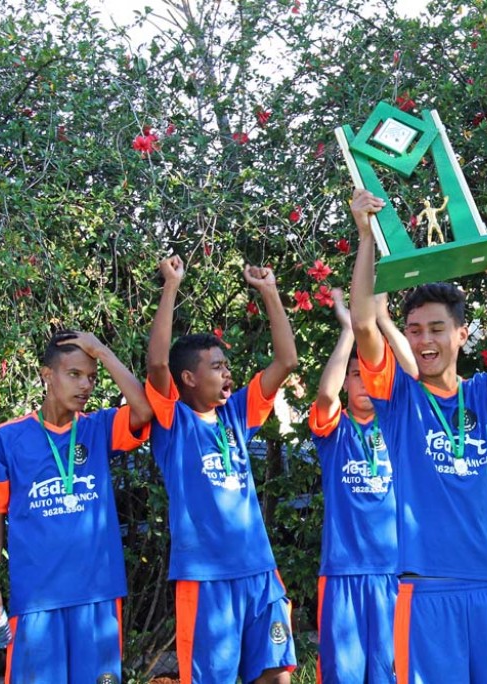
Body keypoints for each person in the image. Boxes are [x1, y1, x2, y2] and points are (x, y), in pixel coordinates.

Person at [348, 188, 487, 683]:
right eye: (415, 330)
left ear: (461, 335)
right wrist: (365, 237)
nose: (425, 341)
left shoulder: (486, 393)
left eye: (437, 329)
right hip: (426, 588)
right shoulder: (399, 399)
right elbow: (363, 321)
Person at [0, 330, 153, 681]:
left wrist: (103, 352)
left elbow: (143, 410)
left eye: (92, 377)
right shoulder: (7, 438)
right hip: (36, 600)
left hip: (97, 596)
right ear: (46, 374)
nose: (85, 386)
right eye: (74, 374)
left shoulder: (98, 428)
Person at [145, 255, 298, 684]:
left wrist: (269, 292)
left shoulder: (237, 416)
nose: (227, 373)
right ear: (189, 379)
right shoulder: (173, 424)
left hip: (260, 574)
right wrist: (171, 285)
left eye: (227, 365)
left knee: (276, 675)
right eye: (216, 366)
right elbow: (158, 365)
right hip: (206, 580)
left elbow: (286, 361)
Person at [308, 288, 414, 684]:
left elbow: (414, 377)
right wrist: (350, 328)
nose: (363, 382)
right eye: (355, 375)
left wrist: (380, 321)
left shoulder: (399, 425)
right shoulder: (334, 432)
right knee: (344, 675)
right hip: (343, 570)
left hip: (393, 570)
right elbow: (324, 393)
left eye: (369, 374)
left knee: (390, 671)